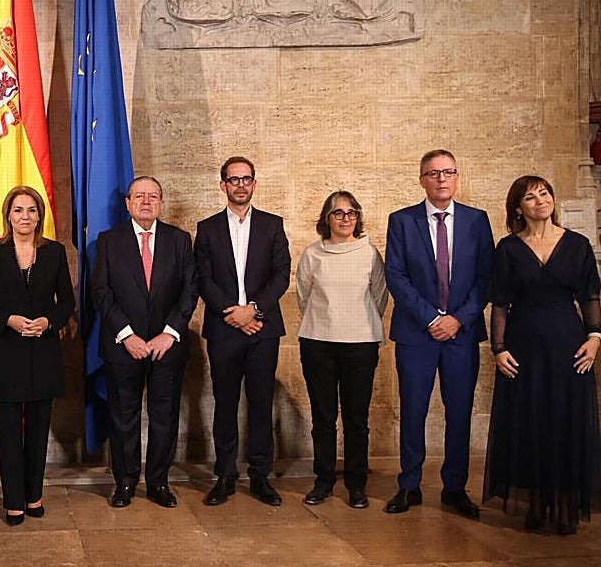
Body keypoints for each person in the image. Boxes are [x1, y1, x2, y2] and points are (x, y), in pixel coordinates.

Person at [484, 175, 601, 535]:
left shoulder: (577, 245)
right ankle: (536, 505)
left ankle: (566, 507)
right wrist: (499, 349)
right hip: (524, 349)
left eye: (545, 193)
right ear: (518, 208)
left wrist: (595, 337)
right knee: (532, 422)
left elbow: (591, 297)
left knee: (566, 422)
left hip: (569, 347)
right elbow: (500, 303)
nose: (540, 201)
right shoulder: (508, 248)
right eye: (530, 197)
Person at [384, 149, 493, 518]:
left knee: (459, 411)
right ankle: (409, 485)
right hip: (417, 333)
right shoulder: (402, 221)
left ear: (457, 177)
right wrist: (432, 318)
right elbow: (395, 276)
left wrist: (458, 319)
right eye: (433, 173)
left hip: (461, 335)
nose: (441, 179)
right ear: (422, 180)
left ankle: (455, 487)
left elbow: (485, 278)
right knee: (413, 411)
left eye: (448, 172)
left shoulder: (478, 221)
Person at [92, 176, 198, 509]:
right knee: (124, 416)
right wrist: (128, 335)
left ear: (162, 203)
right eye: (139, 196)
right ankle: (124, 483)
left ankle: (158, 483)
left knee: (164, 414)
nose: (146, 201)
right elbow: (101, 292)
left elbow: (190, 290)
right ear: (128, 203)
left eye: (153, 196)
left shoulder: (180, 240)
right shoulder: (109, 241)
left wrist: (170, 332)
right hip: (124, 346)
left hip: (168, 345)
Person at [0, 186, 74, 525]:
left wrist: (49, 321)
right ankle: (13, 500)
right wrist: (8, 321)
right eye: (18, 210)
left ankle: (34, 496)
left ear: (39, 216)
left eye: (31, 210)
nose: (25, 217)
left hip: (43, 352)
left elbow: (68, 303)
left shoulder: (55, 252)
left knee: (38, 430)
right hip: (7, 354)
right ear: (8, 216)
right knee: (9, 433)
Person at [194, 156, 290, 507]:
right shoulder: (207, 228)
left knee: (261, 403)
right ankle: (225, 475)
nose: (240, 185)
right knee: (225, 403)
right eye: (233, 180)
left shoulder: (272, 225)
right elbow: (203, 277)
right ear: (223, 186)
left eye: (246, 179)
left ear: (254, 184)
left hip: (263, 329)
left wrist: (254, 310)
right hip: (224, 329)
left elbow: (282, 273)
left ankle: (261, 476)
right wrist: (233, 314)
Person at [295, 191, 389, 510]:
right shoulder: (312, 254)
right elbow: (304, 297)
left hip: (360, 344)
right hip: (318, 342)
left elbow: (379, 297)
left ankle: (356, 484)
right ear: (326, 219)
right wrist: (326, 321)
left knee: (356, 419)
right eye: (338, 213)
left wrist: (357, 324)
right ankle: (323, 480)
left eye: (351, 213)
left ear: (358, 218)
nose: (345, 219)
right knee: (323, 418)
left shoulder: (370, 253)